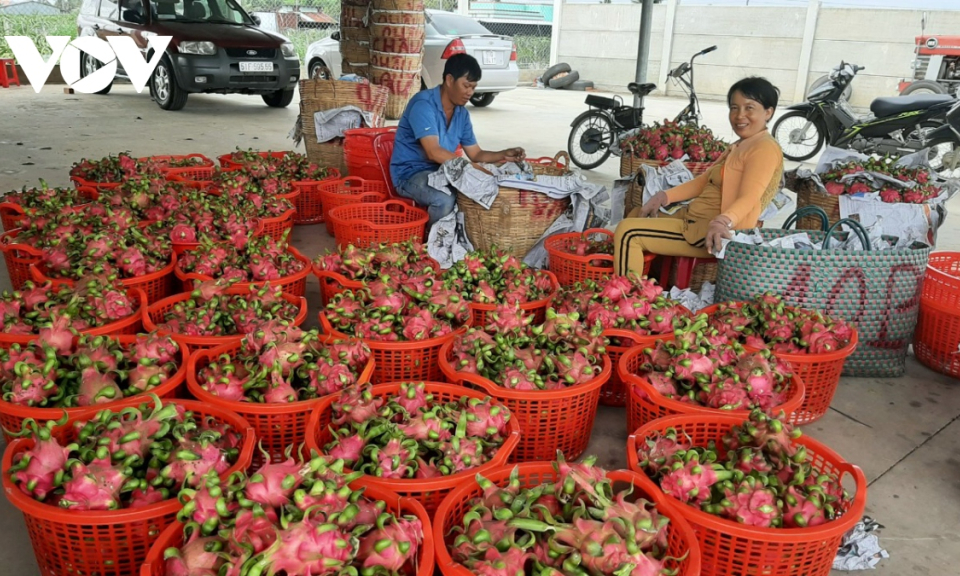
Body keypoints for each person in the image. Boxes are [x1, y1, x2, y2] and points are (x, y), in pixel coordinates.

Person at [613, 77, 784, 276]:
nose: (739, 116)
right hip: (693, 220)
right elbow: (704, 181)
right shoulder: (740, 145)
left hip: (711, 232)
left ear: (768, 112)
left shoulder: (764, 148)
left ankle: (628, 298)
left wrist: (722, 222)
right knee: (636, 214)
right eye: (734, 108)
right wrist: (663, 197)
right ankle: (653, 285)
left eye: (749, 108)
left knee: (628, 232)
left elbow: (749, 197)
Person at [390, 53, 526, 225]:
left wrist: (504, 154)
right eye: (466, 86)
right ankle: (430, 244)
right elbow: (433, 152)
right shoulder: (423, 105)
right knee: (445, 198)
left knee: (483, 190)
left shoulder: (462, 114)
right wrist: (471, 168)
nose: (470, 92)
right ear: (449, 80)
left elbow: (476, 153)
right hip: (410, 175)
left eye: (473, 88)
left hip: (442, 171)